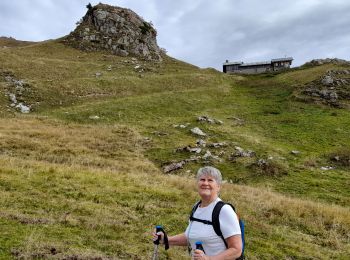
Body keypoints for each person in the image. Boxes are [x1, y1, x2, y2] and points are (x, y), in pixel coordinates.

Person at [152, 166, 242, 259]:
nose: (205, 183)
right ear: (197, 184)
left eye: (210, 180)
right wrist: (166, 239)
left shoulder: (224, 210)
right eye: (202, 179)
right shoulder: (196, 207)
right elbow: (191, 236)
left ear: (218, 186)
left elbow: (236, 250)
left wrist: (209, 259)